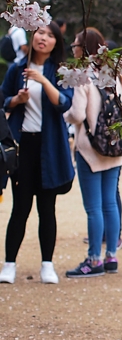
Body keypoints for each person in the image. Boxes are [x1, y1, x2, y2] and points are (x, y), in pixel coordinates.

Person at [0, 23, 74, 286]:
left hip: (50, 146)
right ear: (32, 37)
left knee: (47, 208)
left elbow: (64, 103)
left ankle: (47, 265)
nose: (43, 38)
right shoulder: (17, 69)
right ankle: (9, 264)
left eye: (50, 35)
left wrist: (43, 80)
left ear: (57, 42)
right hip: (23, 146)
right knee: (20, 208)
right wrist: (16, 101)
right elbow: (3, 99)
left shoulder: (61, 71)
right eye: (40, 33)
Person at [64, 28, 122, 278]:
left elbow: (77, 114)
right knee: (110, 203)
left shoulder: (83, 77)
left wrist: (65, 115)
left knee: (94, 208)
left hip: (90, 149)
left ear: (84, 48)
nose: (73, 48)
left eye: (75, 45)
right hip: (113, 147)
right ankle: (111, 256)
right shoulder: (111, 74)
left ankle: (94, 259)